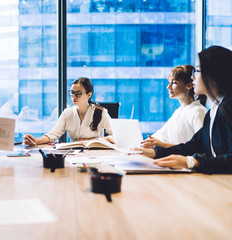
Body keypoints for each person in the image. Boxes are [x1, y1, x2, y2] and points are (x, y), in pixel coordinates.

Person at [135, 46, 232, 174]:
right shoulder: (212, 112)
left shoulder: (227, 108)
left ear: (214, 75)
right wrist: (154, 153)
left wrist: (193, 162)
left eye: (197, 71)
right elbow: (191, 146)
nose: (193, 78)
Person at [23, 77, 114, 145]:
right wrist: (35, 141)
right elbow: (53, 134)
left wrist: (86, 141)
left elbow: (115, 136)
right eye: (72, 93)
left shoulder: (100, 112)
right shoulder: (68, 113)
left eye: (78, 93)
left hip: (95, 154)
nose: (74, 97)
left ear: (89, 94)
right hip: (74, 154)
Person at [141, 65, 207, 149]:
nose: (168, 87)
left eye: (174, 82)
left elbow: (201, 147)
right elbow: (161, 135)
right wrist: (142, 144)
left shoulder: (198, 112)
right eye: (169, 82)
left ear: (189, 85)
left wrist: (161, 144)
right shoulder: (179, 112)